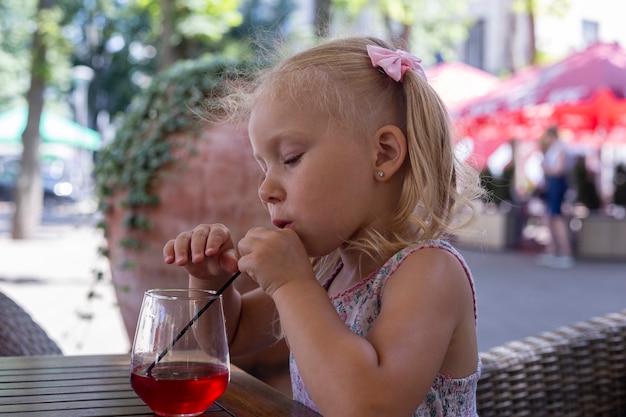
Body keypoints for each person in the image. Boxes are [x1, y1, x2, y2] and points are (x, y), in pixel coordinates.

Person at [163, 36, 483, 416]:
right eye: (263, 168)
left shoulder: (429, 272)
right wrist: (208, 282)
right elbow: (227, 338)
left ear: (384, 153)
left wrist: (292, 284)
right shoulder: (329, 272)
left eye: (291, 158)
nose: (265, 189)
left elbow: (369, 407)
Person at [536, 126, 574, 269]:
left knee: (557, 218)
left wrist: (545, 168)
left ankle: (565, 252)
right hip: (554, 186)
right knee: (551, 218)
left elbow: (559, 169)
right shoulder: (556, 148)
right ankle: (554, 251)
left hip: (557, 185)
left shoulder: (559, 149)